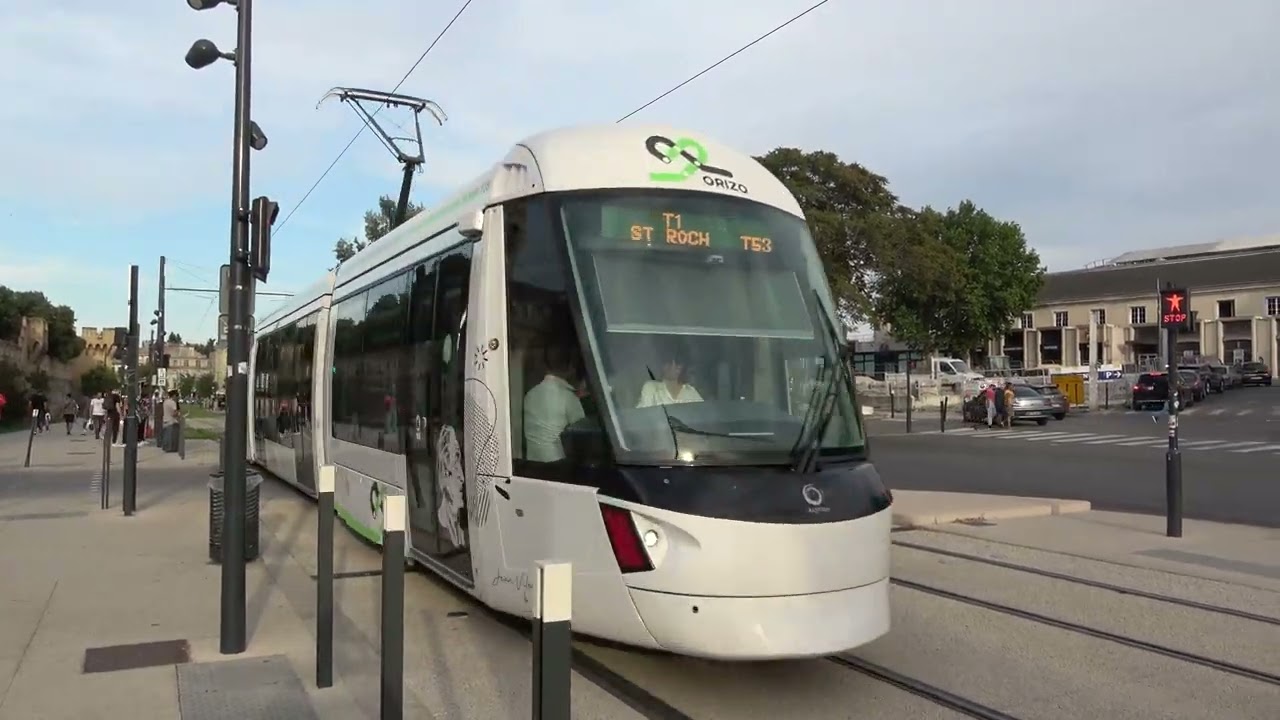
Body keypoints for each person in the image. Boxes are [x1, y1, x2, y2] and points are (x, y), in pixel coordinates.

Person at [523, 344, 586, 463]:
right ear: (570, 368)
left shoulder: (530, 394)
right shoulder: (568, 397)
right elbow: (583, 432)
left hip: (532, 462)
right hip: (557, 463)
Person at [636, 352, 703, 407]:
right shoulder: (651, 388)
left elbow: (703, 417)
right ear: (661, 365)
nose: (673, 366)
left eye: (677, 362)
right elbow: (643, 417)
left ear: (683, 366)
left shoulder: (691, 393)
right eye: (669, 362)